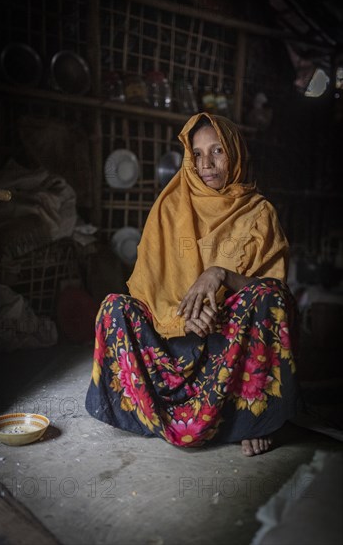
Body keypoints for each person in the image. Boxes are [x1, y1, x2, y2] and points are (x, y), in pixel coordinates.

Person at [86, 112, 299, 456]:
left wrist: (221, 273)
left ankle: (252, 418)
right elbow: (147, 287)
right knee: (115, 307)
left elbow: (276, 295)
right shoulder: (170, 207)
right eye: (197, 154)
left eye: (217, 151)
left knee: (269, 297)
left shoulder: (259, 213)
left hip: (227, 348)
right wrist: (182, 318)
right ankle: (158, 411)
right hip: (172, 339)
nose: (206, 164)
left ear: (235, 152)